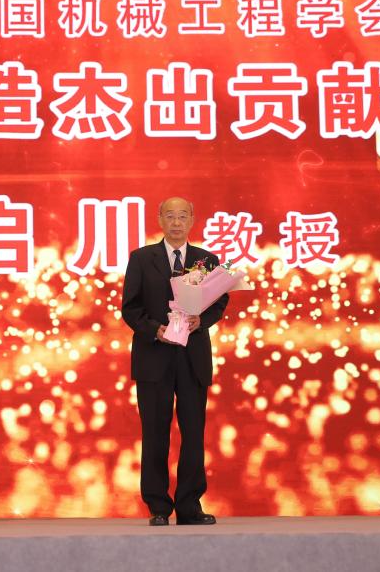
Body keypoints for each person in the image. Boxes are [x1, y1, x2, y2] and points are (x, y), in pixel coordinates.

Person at [121, 196, 229, 526]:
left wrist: (201, 321)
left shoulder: (206, 260)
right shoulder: (141, 258)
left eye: (183, 215)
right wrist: (155, 330)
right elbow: (130, 307)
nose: (177, 222)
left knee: (193, 433)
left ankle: (189, 506)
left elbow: (219, 302)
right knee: (155, 433)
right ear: (160, 219)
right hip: (154, 356)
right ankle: (158, 506)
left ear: (192, 219)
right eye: (170, 215)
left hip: (192, 358)